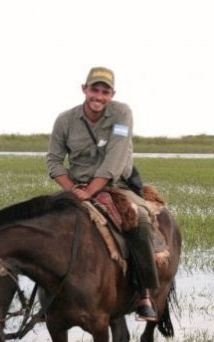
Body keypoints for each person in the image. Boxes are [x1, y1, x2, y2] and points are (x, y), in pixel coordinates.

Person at [46, 66, 159, 321]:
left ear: (112, 94)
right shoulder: (65, 120)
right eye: (94, 89)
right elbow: (53, 161)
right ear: (84, 89)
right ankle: (47, 299)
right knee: (45, 224)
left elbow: (114, 160)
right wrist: (73, 189)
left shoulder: (122, 113)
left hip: (116, 183)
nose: (98, 96)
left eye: (104, 91)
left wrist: (91, 192)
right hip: (76, 186)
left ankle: (144, 294)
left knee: (139, 220)